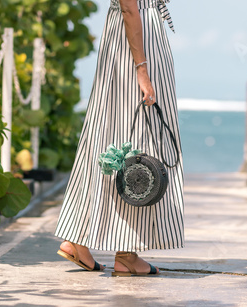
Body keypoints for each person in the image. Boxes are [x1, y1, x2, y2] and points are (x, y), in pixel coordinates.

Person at [54, 0, 184, 276]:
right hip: (135, 45)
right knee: (136, 139)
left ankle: (78, 239)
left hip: (127, 39)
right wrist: (142, 69)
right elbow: (129, 7)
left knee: (107, 132)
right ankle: (125, 253)